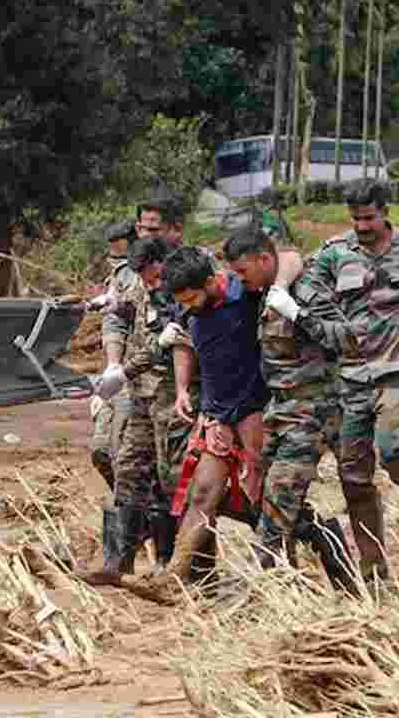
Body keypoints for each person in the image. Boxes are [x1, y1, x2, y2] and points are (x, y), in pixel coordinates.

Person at [300, 178, 399, 583]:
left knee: (393, 449)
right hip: (351, 378)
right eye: (355, 218)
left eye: (369, 217)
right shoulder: (334, 253)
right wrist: (330, 332)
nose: (362, 226)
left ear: (385, 212)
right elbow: (306, 293)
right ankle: (373, 565)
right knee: (352, 475)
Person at [226, 225, 356, 591]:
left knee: (281, 495)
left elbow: (348, 340)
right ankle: (343, 582)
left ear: (264, 260)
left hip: (312, 411)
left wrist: (298, 315)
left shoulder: (306, 291)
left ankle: (261, 585)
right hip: (279, 412)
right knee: (271, 499)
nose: (239, 280)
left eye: (243, 271)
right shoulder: (266, 290)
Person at [84, 237, 197, 583]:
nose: (150, 283)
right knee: (128, 468)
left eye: (152, 276)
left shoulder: (182, 290)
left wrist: (123, 372)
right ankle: (120, 562)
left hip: (169, 395)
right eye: (144, 278)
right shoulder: (139, 287)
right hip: (139, 397)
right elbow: (120, 313)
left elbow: (167, 345)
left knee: (168, 479)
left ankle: (170, 565)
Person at [159, 242, 271, 585]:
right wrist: (181, 390)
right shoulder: (189, 308)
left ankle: (279, 576)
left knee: (268, 499)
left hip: (256, 413)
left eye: (191, 298)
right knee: (203, 493)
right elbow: (183, 343)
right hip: (216, 416)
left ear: (210, 281)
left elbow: (288, 258)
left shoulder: (248, 293)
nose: (187, 307)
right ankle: (175, 578)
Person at [88, 219, 140, 489]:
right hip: (122, 371)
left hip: (146, 375)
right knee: (101, 450)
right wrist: (111, 366)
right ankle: (125, 505)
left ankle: (138, 515)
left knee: (126, 455)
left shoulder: (160, 272)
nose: (118, 261)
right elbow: (114, 323)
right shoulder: (120, 275)